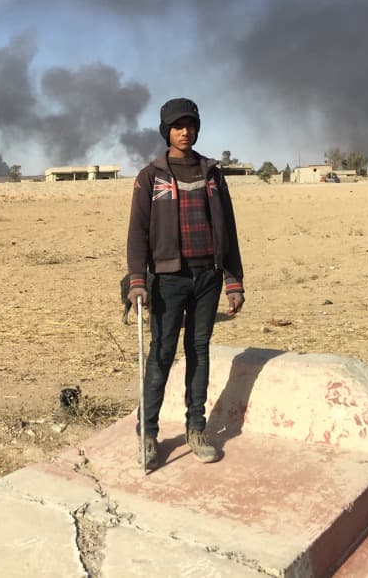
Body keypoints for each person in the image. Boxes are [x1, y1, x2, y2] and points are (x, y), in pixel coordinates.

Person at [126, 97, 245, 470]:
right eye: (178, 126)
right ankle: (148, 433)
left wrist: (233, 279)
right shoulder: (150, 176)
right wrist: (136, 280)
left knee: (199, 352)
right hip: (167, 280)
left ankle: (197, 428)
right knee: (161, 355)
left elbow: (228, 228)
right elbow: (137, 233)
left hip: (207, 277)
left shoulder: (212, 174)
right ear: (166, 131)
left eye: (190, 124)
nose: (185, 131)